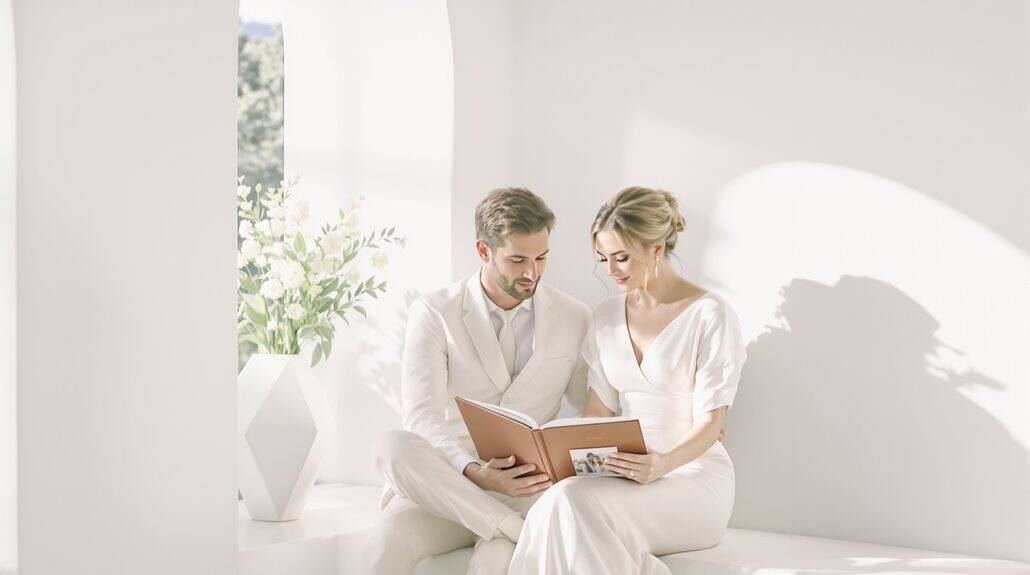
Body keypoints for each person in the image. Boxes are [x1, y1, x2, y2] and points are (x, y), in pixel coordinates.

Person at [508, 186, 747, 575]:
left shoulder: (710, 315)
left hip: (694, 479)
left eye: (621, 257)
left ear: (655, 248)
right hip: (625, 474)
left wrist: (663, 463)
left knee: (572, 503)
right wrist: (562, 459)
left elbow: (711, 424)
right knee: (558, 498)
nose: (611, 270)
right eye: (603, 258)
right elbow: (597, 413)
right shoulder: (605, 317)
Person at [359, 188, 591, 575]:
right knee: (391, 455)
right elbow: (421, 415)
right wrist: (471, 470)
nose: (532, 272)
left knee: (496, 560)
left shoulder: (574, 315)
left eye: (541, 258)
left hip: (529, 491)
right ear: (483, 251)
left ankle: (510, 530)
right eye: (517, 259)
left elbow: (590, 409)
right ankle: (518, 532)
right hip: (448, 485)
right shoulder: (434, 312)